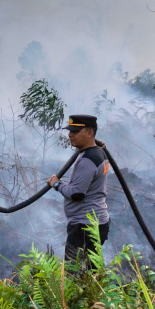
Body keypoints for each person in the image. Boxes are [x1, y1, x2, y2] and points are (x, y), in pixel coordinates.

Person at [46, 114, 110, 267]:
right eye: (70, 131)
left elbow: (76, 194)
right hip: (96, 221)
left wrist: (56, 184)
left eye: (75, 131)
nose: (70, 134)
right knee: (91, 272)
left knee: (72, 274)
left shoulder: (88, 159)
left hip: (84, 226)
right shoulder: (98, 152)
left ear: (90, 133)